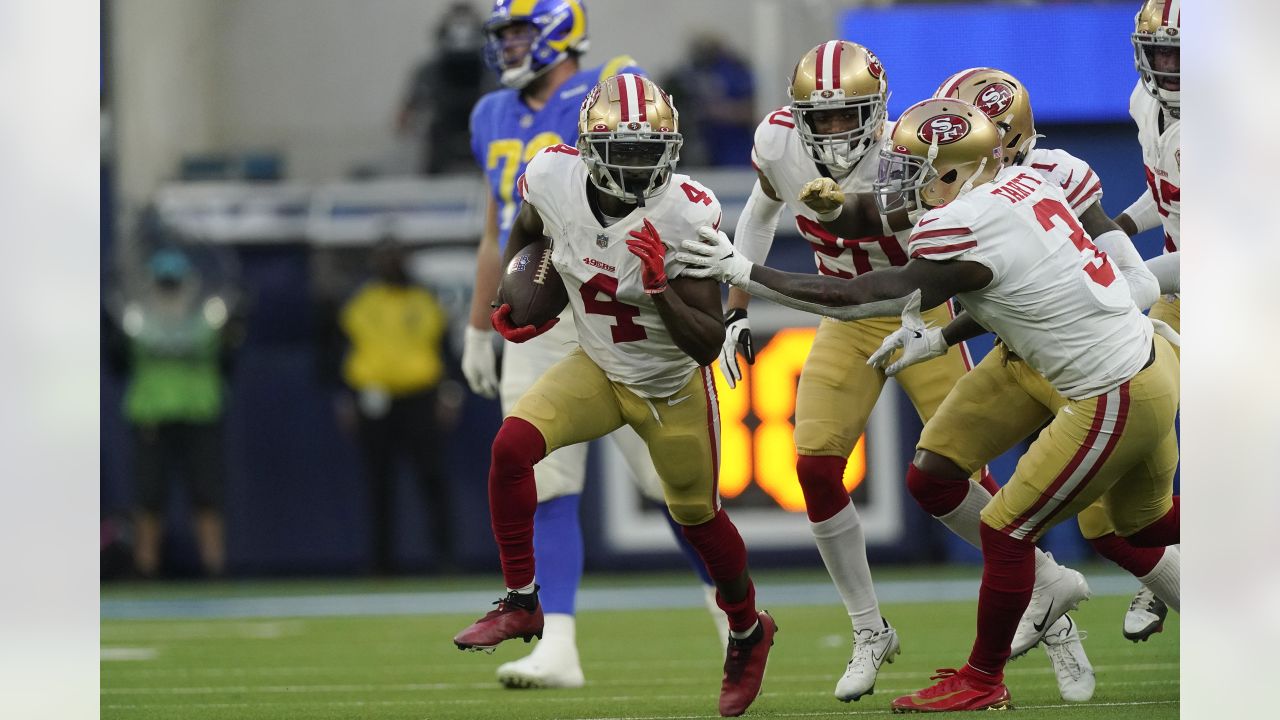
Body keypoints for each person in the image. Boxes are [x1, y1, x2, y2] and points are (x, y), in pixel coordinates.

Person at [678, 97, 1179, 712]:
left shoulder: (963, 221)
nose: (899, 179)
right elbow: (1007, 287)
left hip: (1110, 390)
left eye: (915, 167)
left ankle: (983, 678)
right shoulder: (1019, 183)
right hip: (1099, 357)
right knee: (942, 477)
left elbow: (861, 296)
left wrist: (747, 271)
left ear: (955, 170)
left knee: (1013, 527)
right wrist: (940, 335)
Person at [718, 41, 1090, 702]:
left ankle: (1043, 594)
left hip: (925, 310)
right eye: (820, 117)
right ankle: (869, 629)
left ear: (879, 107)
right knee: (813, 466)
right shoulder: (778, 141)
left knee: (959, 474)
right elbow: (760, 210)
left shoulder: (912, 146)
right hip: (846, 314)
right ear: (797, 114)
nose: (833, 130)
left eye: (847, 114)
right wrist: (736, 309)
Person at [454, 74, 776, 717]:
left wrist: (659, 289)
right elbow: (525, 230)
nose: (636, 165)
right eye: (623, 150)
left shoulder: (687, 212)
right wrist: (515, 298)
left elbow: (707, 343)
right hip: (597, 367)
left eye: (648, 150)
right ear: (590, 148)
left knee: (698, 518)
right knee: (512, 448)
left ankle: (747, 627)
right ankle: (522, 601)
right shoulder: (550, 177)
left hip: (667, 388)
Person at [934, 63, 1181, 646]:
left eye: (967, 134)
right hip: (1025, 354)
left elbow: (1136, 280)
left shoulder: (1056, 177)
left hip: (1096, 359)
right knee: (940, 477)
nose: (949, 152)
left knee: (1117, 526)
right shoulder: (1148, 109)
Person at [105, 246, 241, 578]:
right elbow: (117, 363)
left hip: (200, 412)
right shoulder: (139, 321)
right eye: (165, 282)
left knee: (207, 494)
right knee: (149, 498)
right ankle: (146, 569)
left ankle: (214, 568)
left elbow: (228, 361)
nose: (169, 288)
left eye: (174, 281)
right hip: (151, 414)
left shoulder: (206, 319)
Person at [335, 239, 455, 574]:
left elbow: (444, 349)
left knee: (431, 478)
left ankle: (445, 558)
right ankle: (381, 564)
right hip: (375, 398)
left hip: (419, 396)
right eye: (385, 258)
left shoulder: (424, 300)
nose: (391, 264)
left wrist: (449, 393)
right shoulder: (362, 303)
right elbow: (342, 351)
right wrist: (346, 398)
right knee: (378, 482)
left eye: (395, 257)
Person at [396, 3, 496, 174]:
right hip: (441, 145)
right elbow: (403, 119)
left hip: (484, 143)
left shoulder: (492, 70)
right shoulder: (429, 71)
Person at [661, 34, 756, 167]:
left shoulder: (735, 71)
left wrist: (716, 110)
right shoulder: (689, 74)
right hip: (707, 152)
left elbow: (752, 111)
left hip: (735, 154)